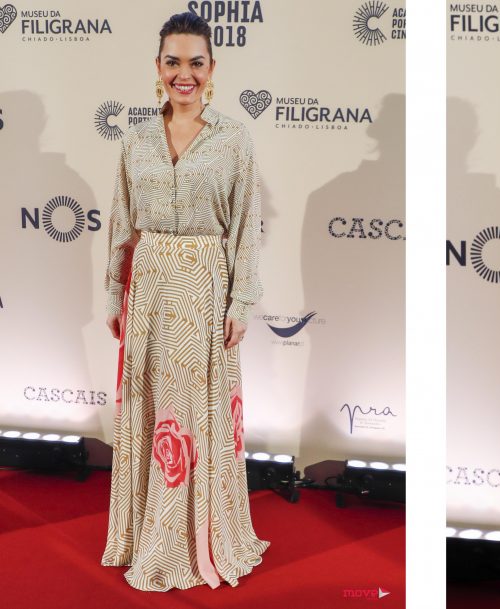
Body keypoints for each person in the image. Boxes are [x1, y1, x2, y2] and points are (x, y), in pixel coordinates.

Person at [100, 12, 268, 591]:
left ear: (212, 68)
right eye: (173, 62)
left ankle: (190, 542)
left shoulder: (233, 139)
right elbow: (121, 222)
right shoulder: (136, 140)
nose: (184, 74)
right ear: (158, 67)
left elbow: (246, 227)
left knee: (193, 412)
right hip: (148, 288)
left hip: (204, 288)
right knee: (152, 408)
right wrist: (114, 291)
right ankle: (143, 536)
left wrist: (240, 302)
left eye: (196, 63)